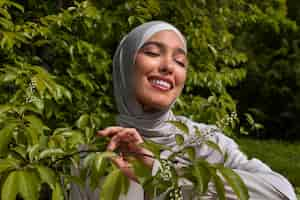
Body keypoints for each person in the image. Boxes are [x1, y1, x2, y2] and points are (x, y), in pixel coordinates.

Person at [71, 21, 297, 200]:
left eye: (179, 61)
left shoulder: (203, 143)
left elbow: (282, 193)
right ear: (125, 64)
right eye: (152, 52)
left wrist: (163, 173)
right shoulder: (90, 154)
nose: (168, 67)